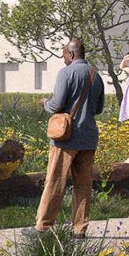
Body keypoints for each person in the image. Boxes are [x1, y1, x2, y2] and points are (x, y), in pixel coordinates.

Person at [36, 38, 105, 237]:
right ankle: (79, 229)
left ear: (72, 54)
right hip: (89, 137)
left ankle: (44, 226)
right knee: (83, 185)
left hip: (66, 137)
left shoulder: (66, 73)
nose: (63, 58)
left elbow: (57, 105)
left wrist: (45, 103)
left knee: (55, 180)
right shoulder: (96, 75)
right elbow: (98, 109)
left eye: (64, 54)